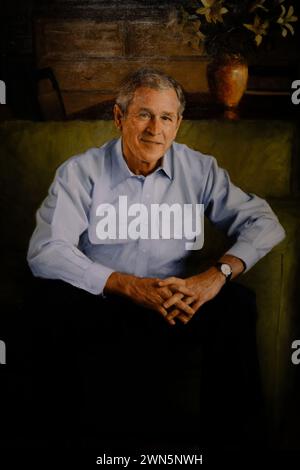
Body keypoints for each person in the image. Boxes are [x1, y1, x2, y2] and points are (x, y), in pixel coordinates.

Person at [27, 67, 285, 450]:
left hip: (176, 303)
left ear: (178, 124)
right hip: (104, 302)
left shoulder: (199, 169)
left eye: (166, 117)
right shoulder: (81, 172)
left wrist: (215, 276)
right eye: (144, 114)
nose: (155, 128)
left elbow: (264, 222)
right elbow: (45, 250)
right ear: (119, 118)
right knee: (47, 304)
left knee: (238, 306)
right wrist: (123, 283)